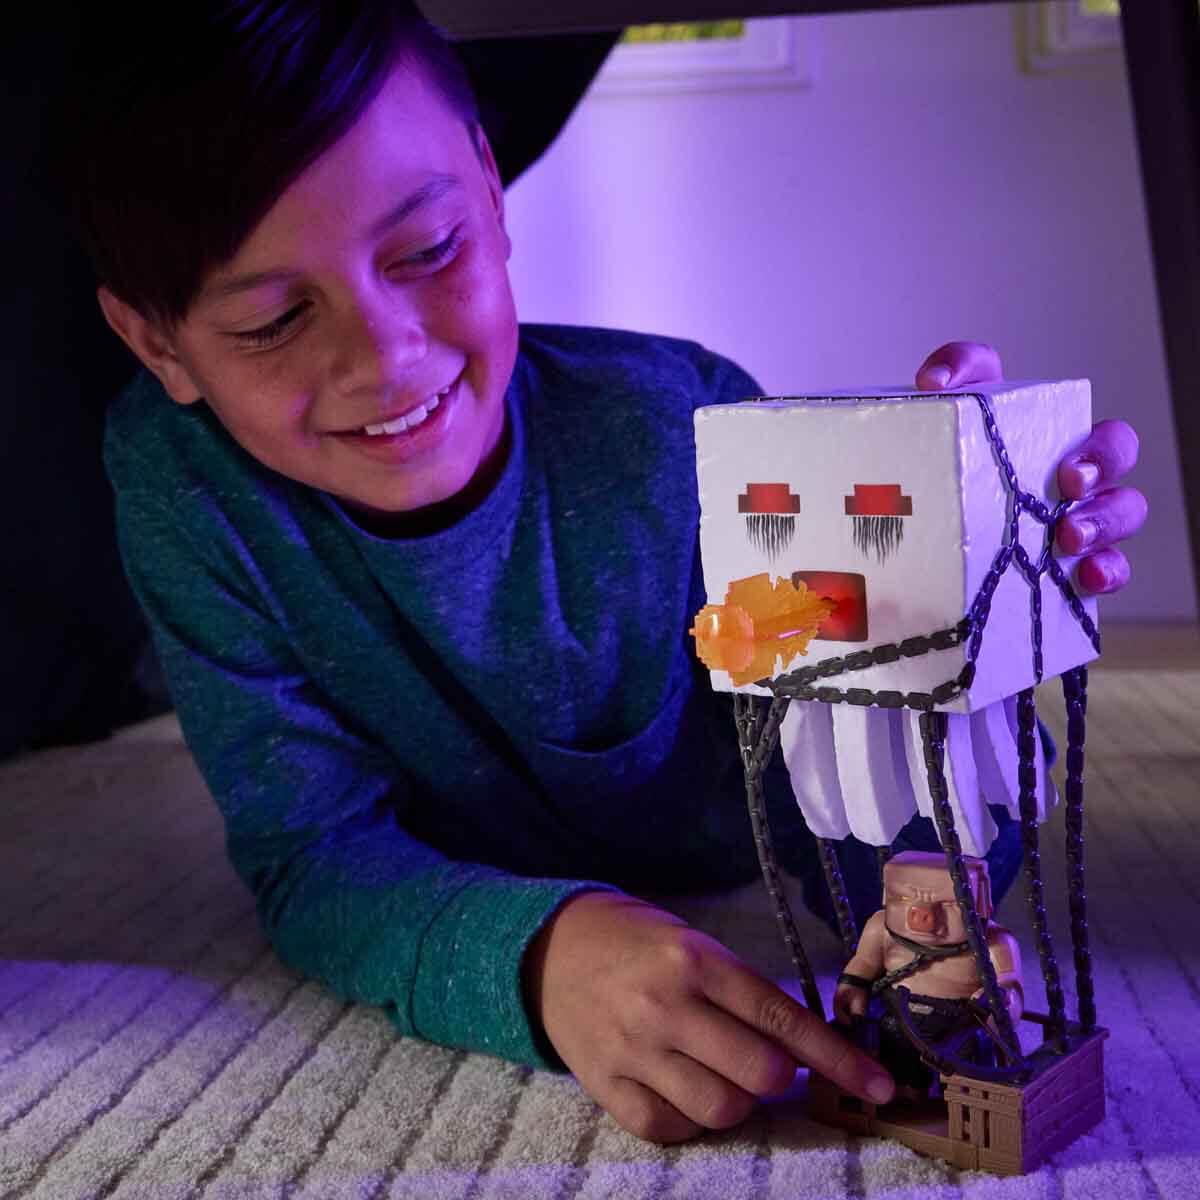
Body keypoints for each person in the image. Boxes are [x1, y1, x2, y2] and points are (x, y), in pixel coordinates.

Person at [48, 1, 1148, 1145]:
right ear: (157, 343)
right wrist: (537, 959)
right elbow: (311, 853)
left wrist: (963, 616)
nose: (387, 359)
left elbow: (876, 833)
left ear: (489, 190)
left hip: (733, 833)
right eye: (275, 321)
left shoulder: (683, 421)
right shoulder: (182, 482)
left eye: (427, 251)